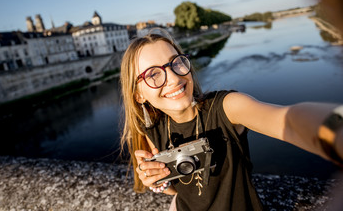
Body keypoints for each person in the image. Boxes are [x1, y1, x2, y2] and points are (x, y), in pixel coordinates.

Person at [119, 29, 343, 211]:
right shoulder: (152, 130)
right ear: (138, 95)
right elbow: (178, 188)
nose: (174, 78)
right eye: (153, 74)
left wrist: (337, 126)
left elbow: (289, 121)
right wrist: (159, 181)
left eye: (176, 62)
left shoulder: (226, 108)